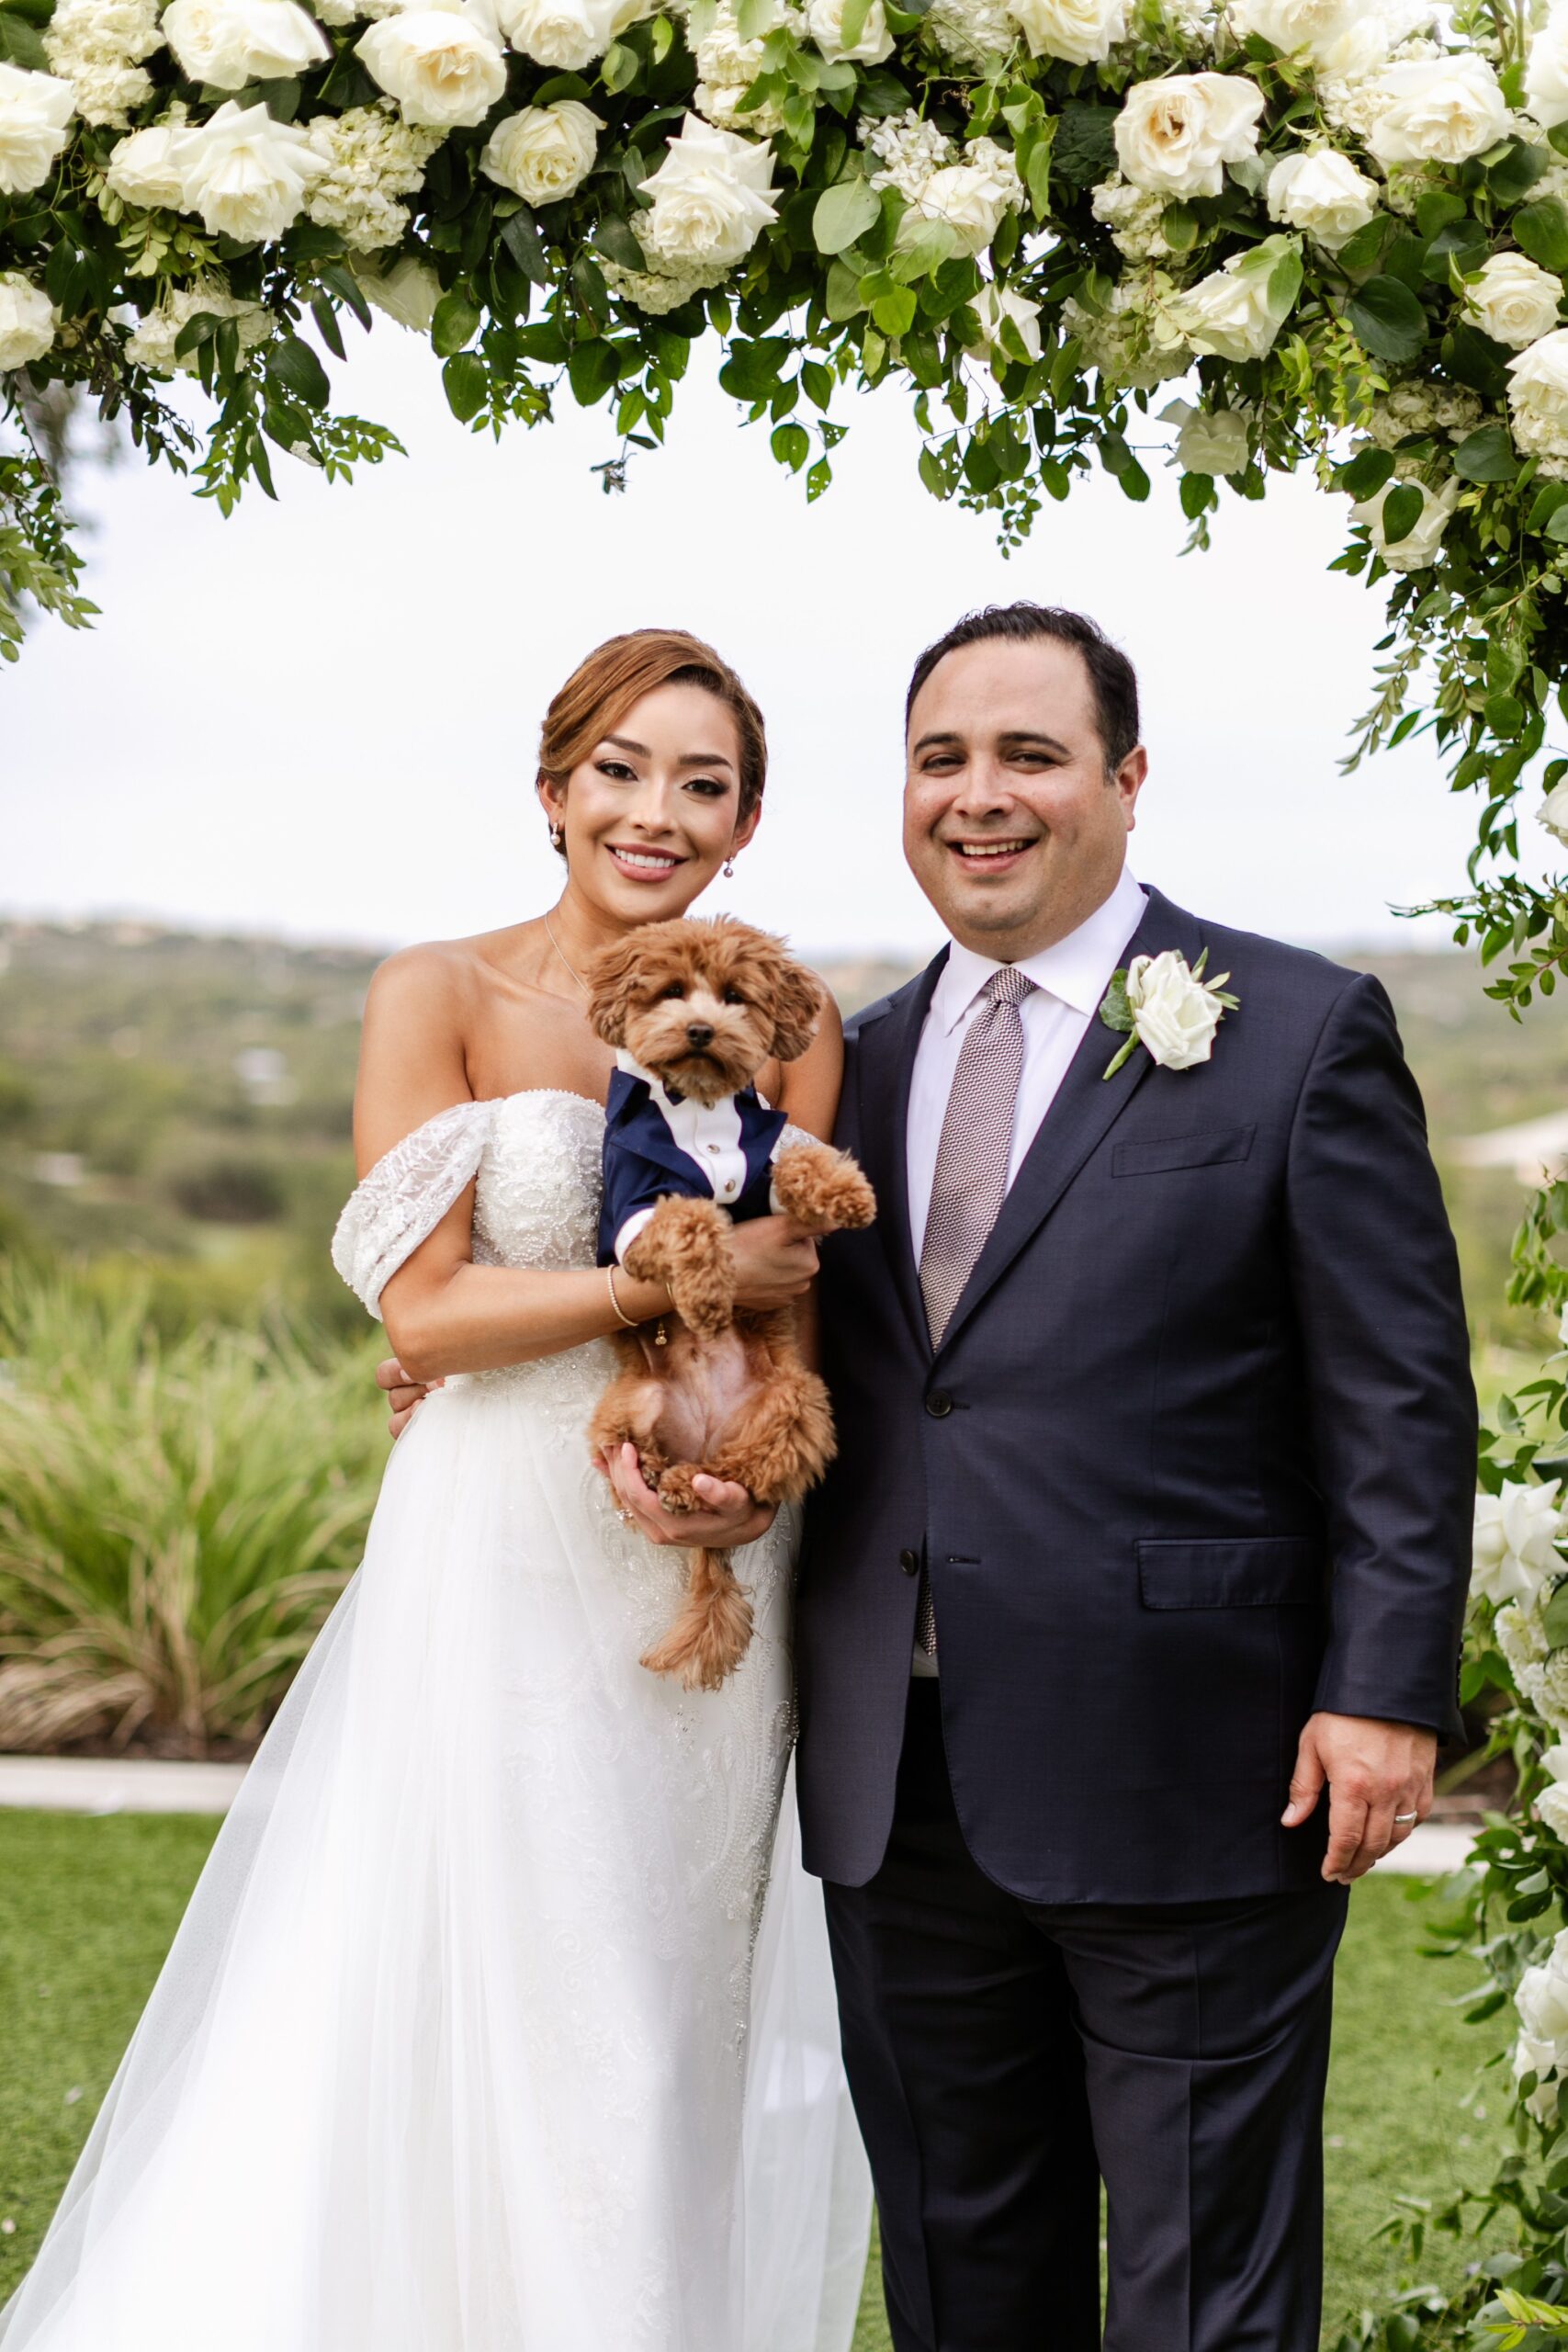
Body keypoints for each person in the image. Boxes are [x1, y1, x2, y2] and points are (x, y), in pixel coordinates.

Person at [0, 628, 871, 2352]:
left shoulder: (795, 1016)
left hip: (704, 1552)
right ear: (553, 790)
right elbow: (427, 1311)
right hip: (497, 1551)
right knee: (508, 1976)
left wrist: (752, 1492)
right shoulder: (441, 993)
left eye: (704, 784)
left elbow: (792, 1304)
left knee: (665, 2001)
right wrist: (641, 1289)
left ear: (748, 822)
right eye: (621, 768)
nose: (656, 811)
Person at [795, 603, 1477, 2352]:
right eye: (941, 757)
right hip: (899, 1781)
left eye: (1029, 753)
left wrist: (1385, 1695)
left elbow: (1397, 1399)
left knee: (1205, 2297)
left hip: (1198, 1765)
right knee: (962, 2276)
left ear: (1127, 777)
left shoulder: (1296, 1028)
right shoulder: (847, 1064)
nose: (979, 796)